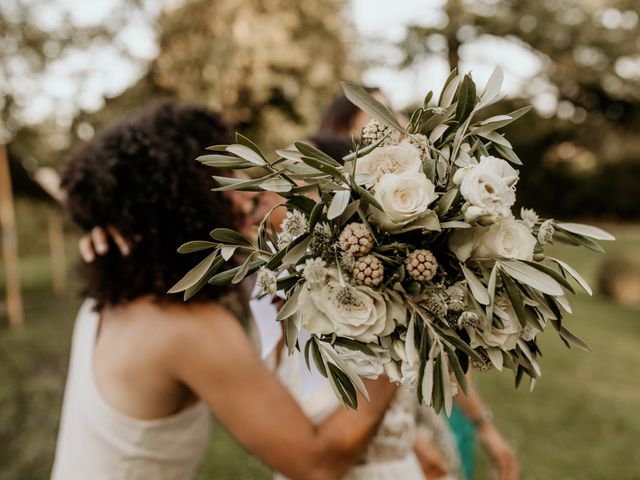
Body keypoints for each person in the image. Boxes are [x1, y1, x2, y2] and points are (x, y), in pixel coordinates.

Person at [52, 101, 398, 480]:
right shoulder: (188, 329)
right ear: (186, 206)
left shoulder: (105, 302)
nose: (243, 193)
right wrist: (398, 343)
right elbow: (317, 463)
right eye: (225, 180)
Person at [314, 88, 519, 480]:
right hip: (367, 426)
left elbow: (445, 340)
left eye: (391, 110)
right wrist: (402, 438)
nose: (394, 122)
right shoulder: (326, 238)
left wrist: (483, 423)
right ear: (343, 133)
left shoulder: (424, 219)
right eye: (376, 114)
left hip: (431, 398)